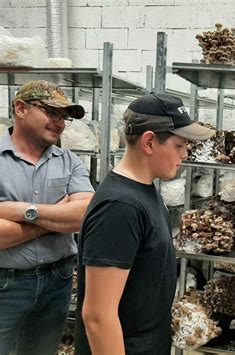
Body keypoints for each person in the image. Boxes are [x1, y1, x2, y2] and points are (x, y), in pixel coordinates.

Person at [75, 93, 215, 355]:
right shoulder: (119, 208)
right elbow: (98, 317)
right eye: (180, 145)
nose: (185, 154)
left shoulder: (144, 190)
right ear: (149, 142)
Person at [0, 80, 94, 355]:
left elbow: (83, 216)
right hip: (5, 284)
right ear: (21, 108)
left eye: (64, 117)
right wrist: (56, 218)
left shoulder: (70, 161)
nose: (60, 122)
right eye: (52, 112)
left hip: (57, 282)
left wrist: (19, 212)